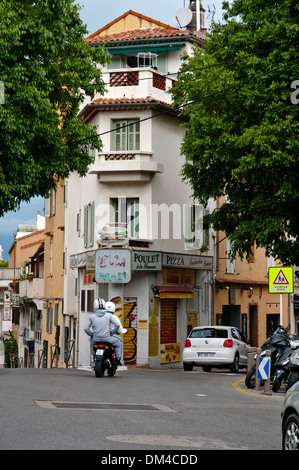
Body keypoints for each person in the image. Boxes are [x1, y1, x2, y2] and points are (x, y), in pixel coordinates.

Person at [84, 298, 123, 366]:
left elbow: (86, 328)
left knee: (91, 344)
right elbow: (117, 325)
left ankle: (95, 358)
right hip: (107, 338)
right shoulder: (109, 316)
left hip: (96, 339)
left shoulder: (91, 317)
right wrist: (112, 332)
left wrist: (92, 335)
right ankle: (118, 360)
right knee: (118, 343)